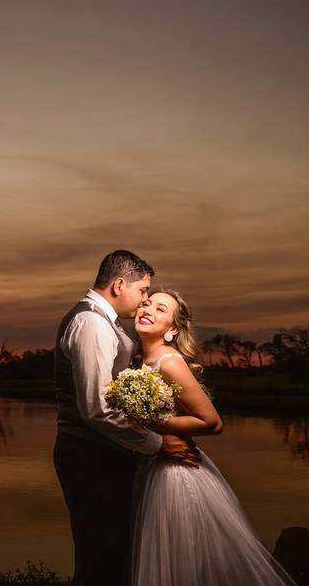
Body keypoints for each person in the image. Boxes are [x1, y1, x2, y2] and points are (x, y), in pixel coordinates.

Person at [129, 288, 298, 586]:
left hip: (178, 476)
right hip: (156, 465)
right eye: (146, 303)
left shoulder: (169, 362)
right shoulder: (140, 359)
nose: (147, 310)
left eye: (160, 309)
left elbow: (212, 422)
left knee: (188, 563)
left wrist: (160, 424)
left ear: (173, 329)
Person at [53, 250, 200, 586]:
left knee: (112, 554)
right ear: (120, 284)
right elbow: (97, 408)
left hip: (101, 454)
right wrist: (159, 442)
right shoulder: (90, 322)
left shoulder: (103, 322)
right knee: (101, 560)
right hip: (89, 456)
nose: (145, 300)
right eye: (143, 290)